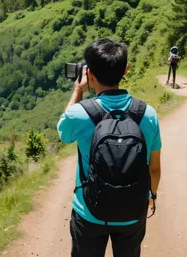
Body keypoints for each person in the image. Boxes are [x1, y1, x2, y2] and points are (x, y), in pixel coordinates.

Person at [57, 38, 162, 257]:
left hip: (89, 212)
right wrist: (151, 195)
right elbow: (154, 169)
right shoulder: (148, 114)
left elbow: (63, 134)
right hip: (132, 213)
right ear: (126, 70)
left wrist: (78, 91)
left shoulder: (78, 113)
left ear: (90, 74)